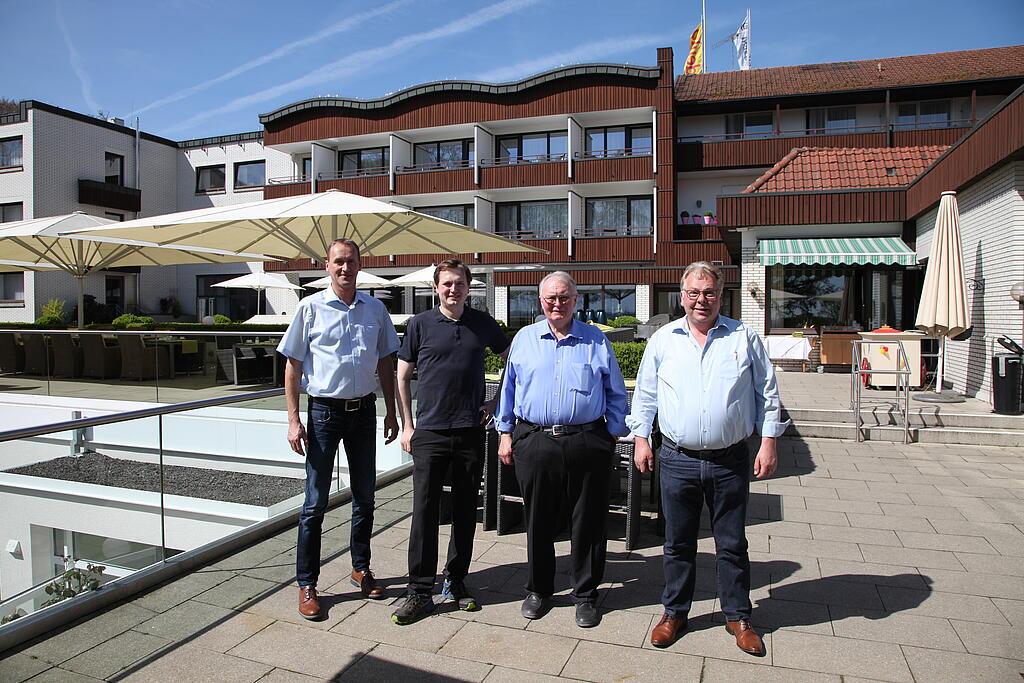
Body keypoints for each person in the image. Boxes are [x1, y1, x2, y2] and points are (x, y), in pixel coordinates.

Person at [627, 261, 789, 655]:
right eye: (694, 293)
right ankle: (675, 612)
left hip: (729, 460)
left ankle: (738, 615)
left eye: (709, 292)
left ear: (721, 295)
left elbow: (766, 393)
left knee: (732, 544)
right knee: (677, 543)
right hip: (678, 459)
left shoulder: (743, 337)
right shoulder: (664, 339)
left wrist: (768, 441)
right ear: (682, 297)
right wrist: (640, 438)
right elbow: (646, 393)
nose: (702, 300)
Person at [495, 271, 628, 629]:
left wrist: (611, 436)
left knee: (588, 521)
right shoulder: (523, 339)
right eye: (551, 298)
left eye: (565, 297)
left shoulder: (594, 340)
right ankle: (539, 590)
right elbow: (507, 390)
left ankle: (585, 594)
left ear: (575, 300)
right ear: (541, 301)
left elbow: (616, 392)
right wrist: (506, 433)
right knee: (537, 520)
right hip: (535, 441)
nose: (557, 304)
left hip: (587, 440)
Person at [277, 238, 400, 620]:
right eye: (338, 262)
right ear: (327, 266)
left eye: (351, 262)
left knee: (366, 496)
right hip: (324, 415)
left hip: (363, 412)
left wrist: (391, 412)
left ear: (360, 266)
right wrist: (294, 419)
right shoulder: (309, 308)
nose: (345, 268)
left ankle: (360, 568)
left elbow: (385, 364)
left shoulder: (375, 309)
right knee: (314, 504)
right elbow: (293, 366)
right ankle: (307, 584)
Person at [390, 259, 511, 625]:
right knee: (425, 512)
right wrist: (408, 425)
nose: (453, 290)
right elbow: (402, 375)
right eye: (447, 284)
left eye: (459, 283)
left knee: (463, 512)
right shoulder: (420, 325)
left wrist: (497, 400)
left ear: (468, 287)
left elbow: (512, 360)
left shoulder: (482, 323)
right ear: (436, 287)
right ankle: (419, 591)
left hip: (470, 430)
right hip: (429, 432)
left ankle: (456, 581)